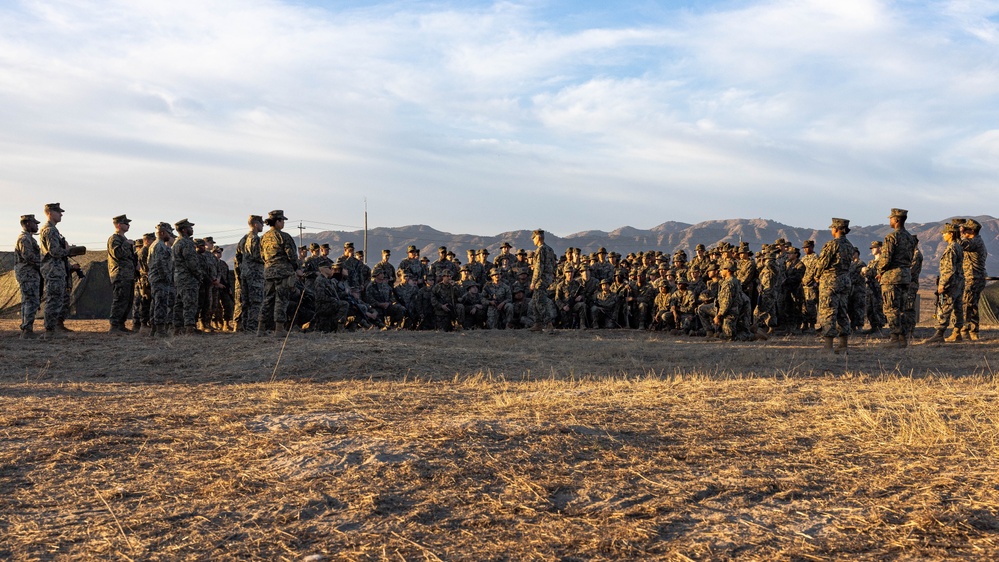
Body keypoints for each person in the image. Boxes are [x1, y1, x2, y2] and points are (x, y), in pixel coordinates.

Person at [804, 218, 856, 354]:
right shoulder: (850, 245)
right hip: (845, 280)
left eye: (832, 228)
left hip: (831, 281)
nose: (831, 230)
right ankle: (843, 345)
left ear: (837, 229)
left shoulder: (832, 244)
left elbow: (822, 263)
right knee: (842, 311)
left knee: (828, 312)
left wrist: (816, 275)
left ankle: (828, 347)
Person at [39, 203, 83, 338]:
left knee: (58, 299)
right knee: (54, 299)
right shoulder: (50, 230)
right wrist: (69, 250)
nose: (61, 214)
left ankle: (53, 329)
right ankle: (50, 331)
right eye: (58, 212)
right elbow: (54, 251)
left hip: (57, 269)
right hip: (53, 269)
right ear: (50, 213)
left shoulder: (53, 230)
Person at [874, 208, 916, 348]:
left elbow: (886, 259)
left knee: (891, 308)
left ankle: (894, 339)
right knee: (902, 308)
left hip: (892, 277)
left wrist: (879, 270)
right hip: (905, 276)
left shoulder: (891, 237)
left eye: (891, 218)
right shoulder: (910, 237)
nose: (890, 221)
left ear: (896, 220)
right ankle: (903, 338)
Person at [258, 210, 302, 336]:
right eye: (282, 221)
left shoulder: (264, 238)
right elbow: (292, 256)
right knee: (281, 300)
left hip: (269, 272)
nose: (283, 223)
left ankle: (260, 328)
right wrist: (296, 268)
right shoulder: (284, 236)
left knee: (267, 300)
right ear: (277, 221)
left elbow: (262, 255)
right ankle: (279, 329)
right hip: (283, 273)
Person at [924, 224, 965, 344]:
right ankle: (957, 333)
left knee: (945, 308)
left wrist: (942, 285)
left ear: (951, 234)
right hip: (958, 282)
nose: (943, 235)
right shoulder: (958, 247)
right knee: (958, 308)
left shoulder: (951, 248)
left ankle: (939, 334)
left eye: (944, 233)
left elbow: (949, 270)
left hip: (951, 284)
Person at [172, 219, 208, 335]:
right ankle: (189, 328)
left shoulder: (176, 243)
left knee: (179, 303)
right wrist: (199, 275)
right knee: (190, 303)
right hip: (188, 278)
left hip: (178, 277)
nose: (192, 229)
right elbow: (192, 263)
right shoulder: (187, 243)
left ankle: (178, 328)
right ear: (184, 230)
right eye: (190, 228)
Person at [107, 214, 137, 334]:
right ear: (119, 225)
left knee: (127, 300)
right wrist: (127, 244)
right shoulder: (114, 239)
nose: (128, 225)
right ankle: (114, 326)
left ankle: (121, 324)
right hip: (120, 275)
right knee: (120, 299)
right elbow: (117, 254)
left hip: (128, 275)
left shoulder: (123, 239)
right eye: (126, 223)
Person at [234, 214, 264, 333]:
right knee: (255, 301)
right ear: (256, 224)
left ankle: (244, 325)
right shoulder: (255, 239)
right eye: (261, 223)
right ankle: (252, 327)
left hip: (245, 273)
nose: (263, 226)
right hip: (255, 274)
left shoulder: (243, 239)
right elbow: (258, 256)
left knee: (245, 301)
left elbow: (238, 258)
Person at [960, 219, 989, 341]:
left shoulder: (974, 242)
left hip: (973, 278)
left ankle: (965, 331)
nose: (963, 231)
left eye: (966, 229)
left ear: (972, 230)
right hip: (976, 277)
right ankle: (973, 331)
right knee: (973, 306)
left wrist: (958, 233)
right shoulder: (977, 241)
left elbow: (960, 245)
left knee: (967, 305)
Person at [15, 214, 42, 339]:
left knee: (29, 300)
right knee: (31, 300)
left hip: (30, 273)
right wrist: (44, 263)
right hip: (27, 274)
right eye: (34, 223)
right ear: (27, 224)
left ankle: (27, 329)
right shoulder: (24, 239)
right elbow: (29, 256)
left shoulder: (29, 238)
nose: (37, 226)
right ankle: (27, 330)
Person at [147, 222, 175, 337]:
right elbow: (160, 264)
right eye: (169, 233)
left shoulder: (156, 245)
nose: (171, 235)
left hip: (157, 279)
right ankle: (159, 330)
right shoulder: (159, 246)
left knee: (156, 304)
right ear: (163, 233)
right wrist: (166, 277)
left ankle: (154, 329)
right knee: (160, 304)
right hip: (160, 279)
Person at [529, 229, 557, 332]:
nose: (533, 241)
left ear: (538, 238)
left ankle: (548, 324)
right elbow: (552, 265)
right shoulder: (550, 249)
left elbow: (539, 268)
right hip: (548, 278)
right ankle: (538, 324)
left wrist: (533, 282)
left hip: (541, 280)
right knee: (535, 301)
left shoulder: (540, 250)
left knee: (540, 302)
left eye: (533, 238)